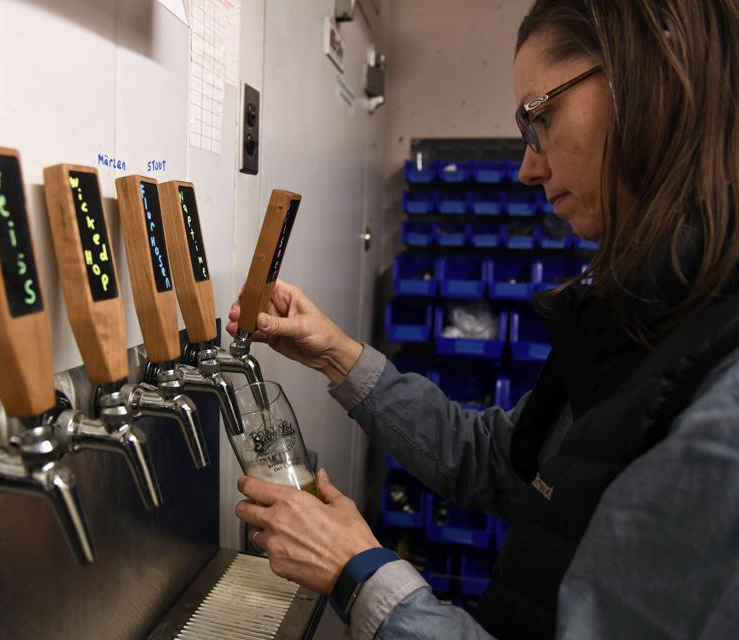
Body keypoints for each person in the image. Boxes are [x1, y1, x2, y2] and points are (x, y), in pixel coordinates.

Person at [229, 1, 739, 638]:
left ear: (653, 75)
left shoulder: (721, 399)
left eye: (539, 117)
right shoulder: (654, 314)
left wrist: (356, 571)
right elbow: (501, 460)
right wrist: (337, 354)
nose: (527, 166)